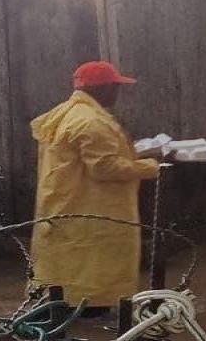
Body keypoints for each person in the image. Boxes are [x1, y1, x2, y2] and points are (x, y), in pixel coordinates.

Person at [29, 61, 160, 310]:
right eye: (115, 87)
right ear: (103, 88)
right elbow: (105, 167)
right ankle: (89, 308)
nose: (118, 93)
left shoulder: (66, 112)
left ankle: (64, 307)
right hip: (94, 208)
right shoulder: (92, 122)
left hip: (67, 201)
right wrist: (151, 166)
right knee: (94, 264)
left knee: (68, 262)